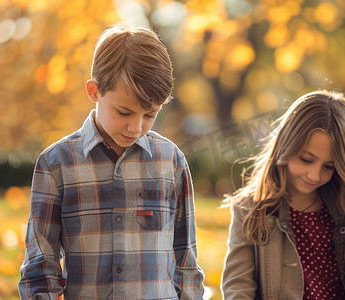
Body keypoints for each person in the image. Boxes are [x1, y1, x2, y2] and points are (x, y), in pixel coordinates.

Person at [19, 25, 205, 299]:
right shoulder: (56, 164)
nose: (136, 127)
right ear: (94, 91)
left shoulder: (172, 162)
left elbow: (186, 262)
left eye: (149, 115)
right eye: (124, 112)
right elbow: (40, 267)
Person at [221, 90, 345, 299]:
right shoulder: (250, 210)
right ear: (285, 146)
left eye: (329, 166)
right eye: (306, 159)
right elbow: (238, 290)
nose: (314, 175)